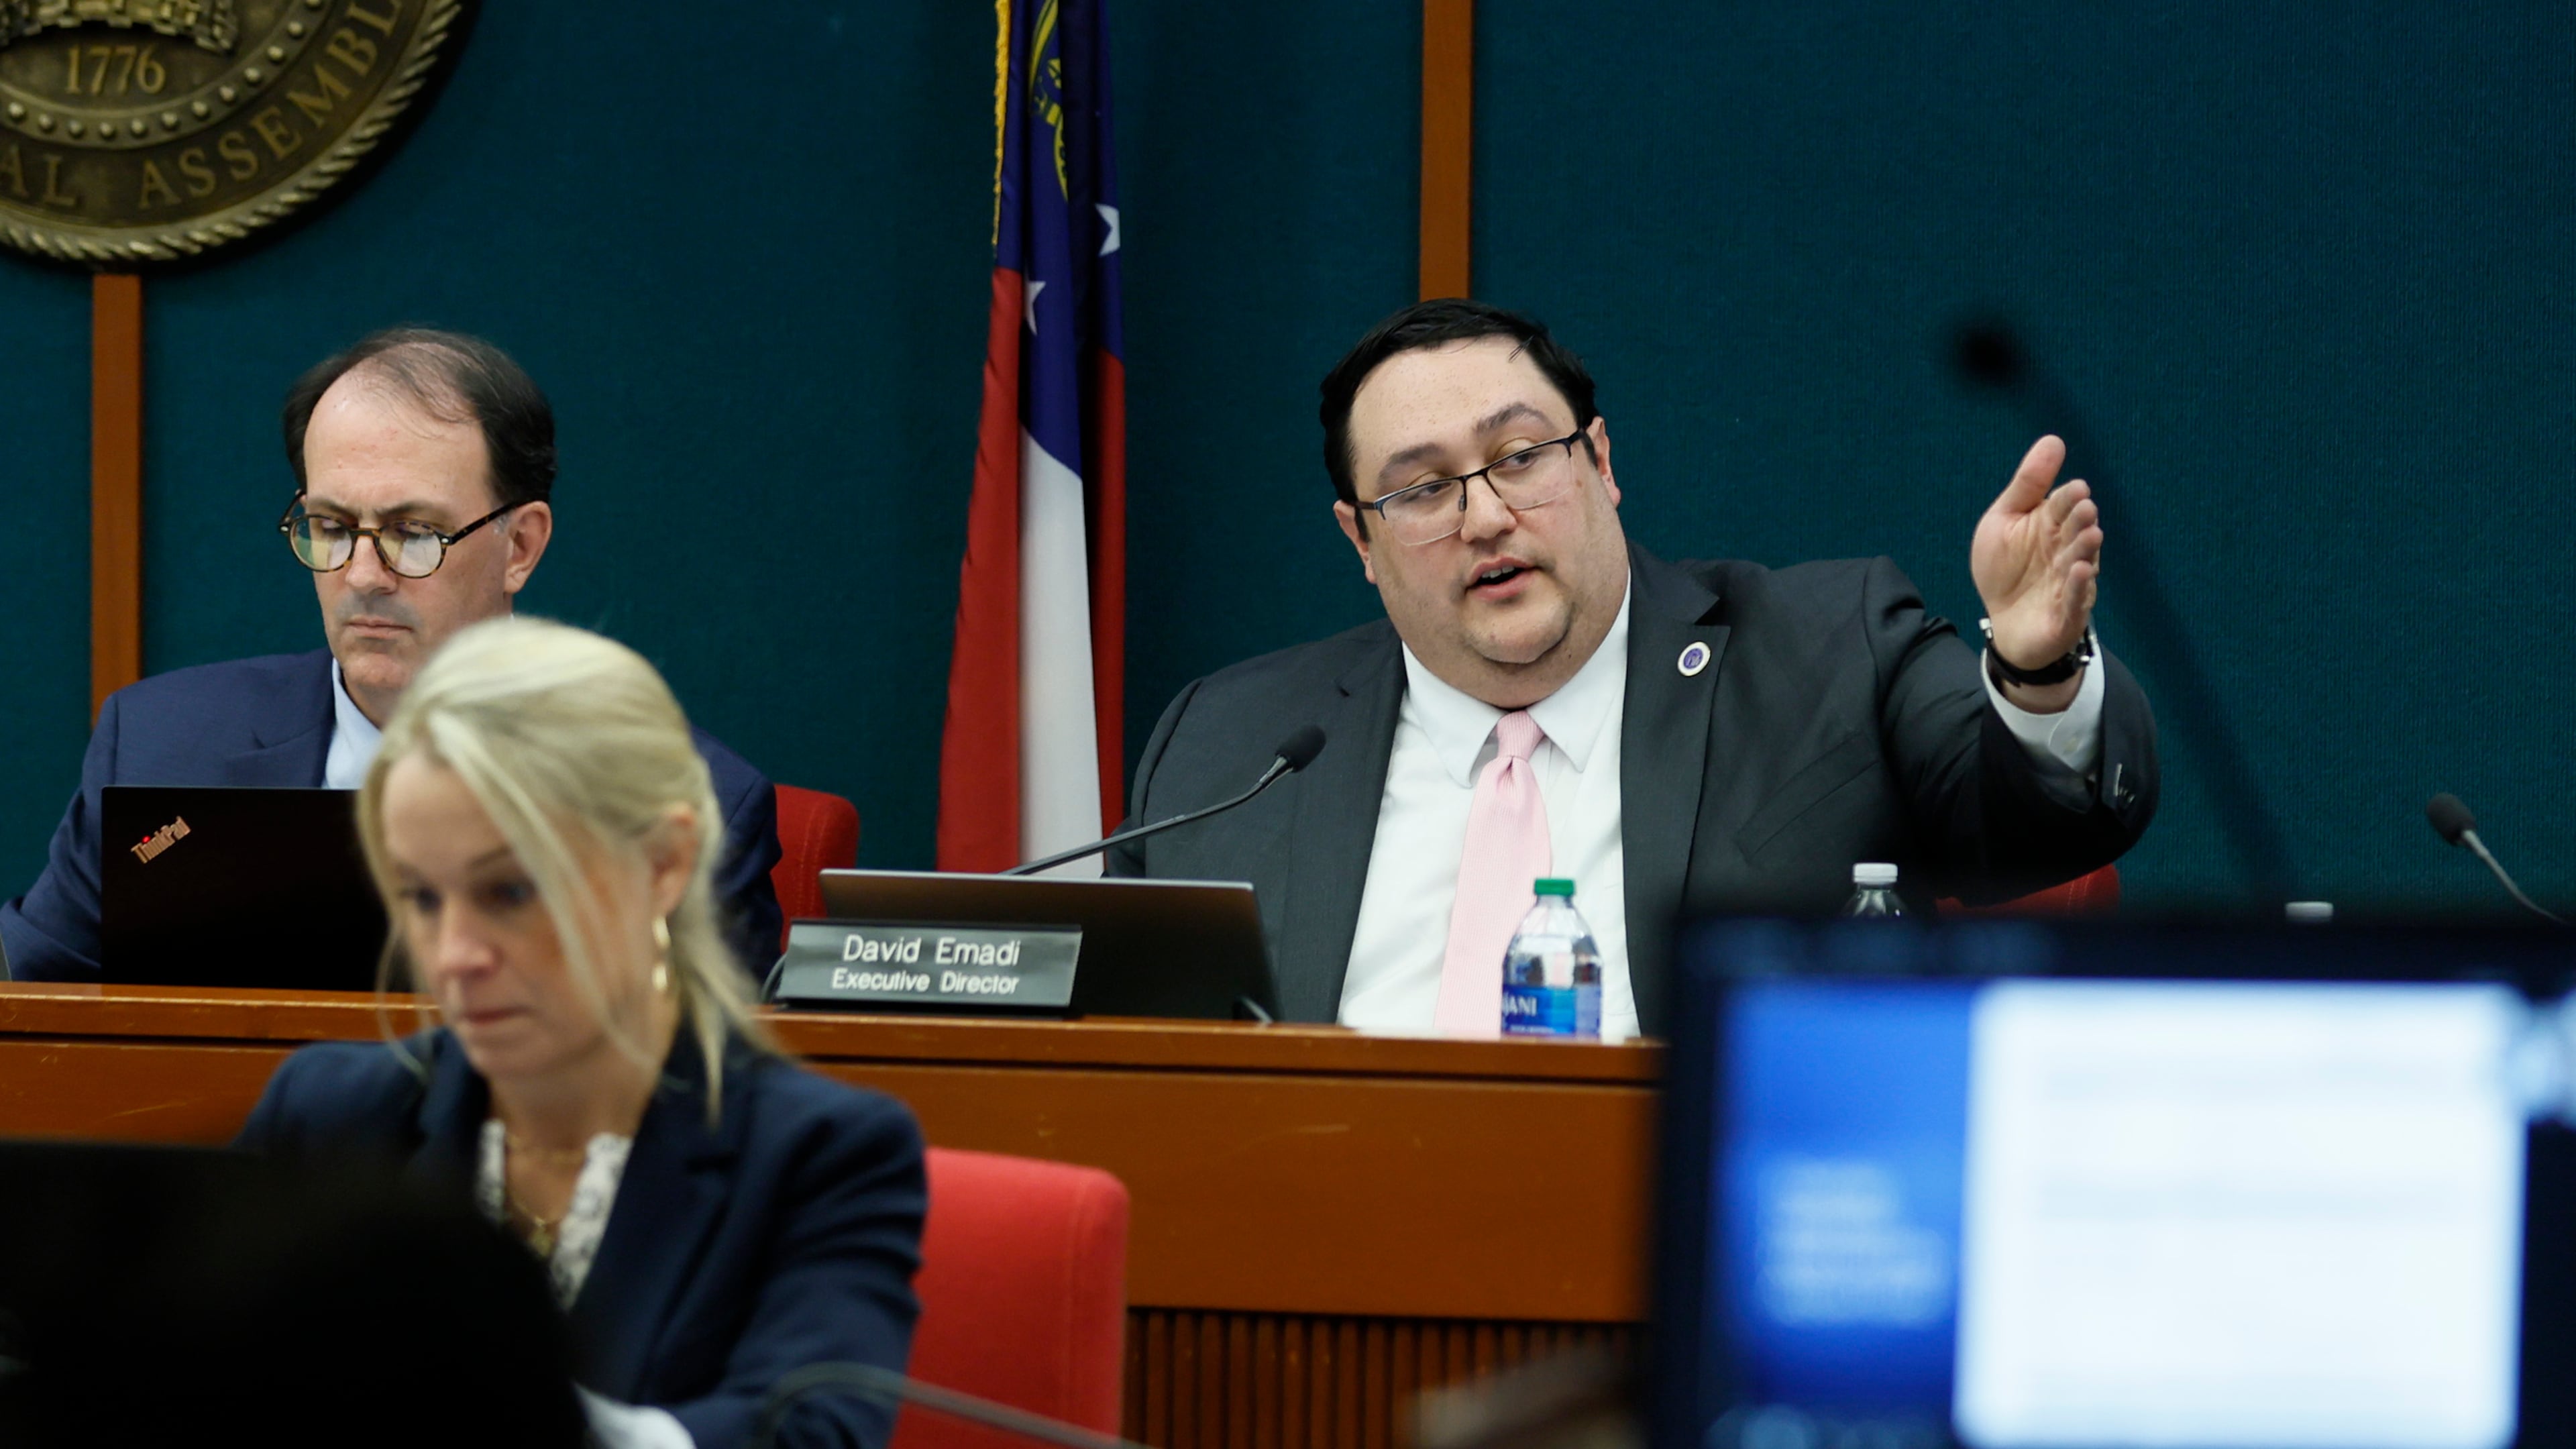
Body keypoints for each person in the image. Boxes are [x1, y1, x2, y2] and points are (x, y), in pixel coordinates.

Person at [1110, 299, 2158, 1038]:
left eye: (1521, 458)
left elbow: (2038, 827)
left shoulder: (1827, 650)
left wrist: (2035, 669)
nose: (1485, 516)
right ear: (1361, 544)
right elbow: (1135, 1066)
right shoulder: (1230, 747)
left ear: (1601, 465)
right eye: (1421, 493)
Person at [237, 616, 922, 1449]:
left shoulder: (821, 1153)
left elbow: (812, 1433)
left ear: (665, 865)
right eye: (421, 897)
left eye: (511, 893)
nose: (454, 956)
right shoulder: (329, 1114)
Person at [0, 329, 783, 981]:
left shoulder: (689, 807)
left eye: (414, 533)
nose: (363, 577)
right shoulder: (162, 751)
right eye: (332, 527)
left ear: (521, 546)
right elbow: (31, 1007)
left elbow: (702, 1108)